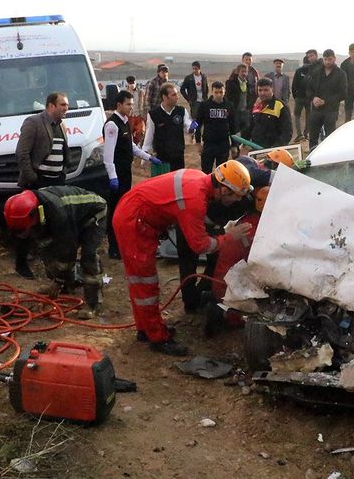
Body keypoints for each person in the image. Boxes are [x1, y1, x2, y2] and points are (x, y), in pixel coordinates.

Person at [112, 161, 254, 355]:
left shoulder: (197, 177)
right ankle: (158, 338)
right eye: (235, 197)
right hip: (134, 221)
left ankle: (145, 328)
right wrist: (229, 238)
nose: (236, 202)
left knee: (142, 283)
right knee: (145, 283)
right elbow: (200, 245)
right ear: (223, 190)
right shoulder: (194, 199)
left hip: (136, 212)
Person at [202, 150, 295, 336]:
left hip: (225, 274)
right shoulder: (255, 228)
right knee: (258, 315)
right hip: (229, 283)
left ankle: (207, 295)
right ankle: (219, 312)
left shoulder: (249, 220)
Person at [4, 186, 107, 319]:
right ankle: (67, 285)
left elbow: (68, 248)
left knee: (89, 256)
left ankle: (93, 304)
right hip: (71, 216)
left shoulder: (57, 212)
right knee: (48, 251)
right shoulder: (35, 210)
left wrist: (58, 280)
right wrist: (57, 278)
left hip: (93, 214)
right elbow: (46, 246)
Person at [14, 92, 70, 279]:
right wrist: (33, 179)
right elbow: (22, 153)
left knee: (53, 223)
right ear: (50, 106)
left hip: (56, 183)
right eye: (62, 105)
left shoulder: (61, 125)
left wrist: (63, 173)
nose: (65, 108)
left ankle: (51, 264)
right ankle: (21, 264)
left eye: (67, 105)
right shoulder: (34, 122)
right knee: (29, 223)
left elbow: (63, 152)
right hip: (39, 182)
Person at [103, 91, 162, 259]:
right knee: (115, 210)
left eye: (131, 104)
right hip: (117, 174)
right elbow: (108, 156)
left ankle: (122, 242)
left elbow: (131, 147)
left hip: (125, 172)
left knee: (124, 209)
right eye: (128, 104)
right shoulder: (112, 125)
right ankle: (113, 247)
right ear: (119, 105)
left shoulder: (124, 122)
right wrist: (112, 176)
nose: (130, 107)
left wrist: (148, 157)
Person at [142, 82, 196, 172]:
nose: (177, 97)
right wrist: (145, 156)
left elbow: (188, 127)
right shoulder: (154, 114)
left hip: (178, 157)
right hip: (161, 158)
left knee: (178, 184)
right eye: (174, 95)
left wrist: (192, 128)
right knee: (163, 184)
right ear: (164, 97)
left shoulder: (181, 111)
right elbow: (149, 136)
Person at [306, 49, 347, 148]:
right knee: (313, 137)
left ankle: (329, 158)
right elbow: (308, 89)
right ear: (323, 59)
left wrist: (325, 101)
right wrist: (313, 98)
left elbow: (343, 93)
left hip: (331, 110)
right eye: (325, 59)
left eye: (330, 59)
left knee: (330, 138)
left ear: (334, 59)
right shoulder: (316, 72)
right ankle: (312, 159)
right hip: (316, 110)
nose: (328, 62)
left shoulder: (341, 74)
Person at [195, 80, 237, 173]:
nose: (219, 95)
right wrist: (198, 142)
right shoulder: (204, 105)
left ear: (224, 91)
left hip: (224, 144)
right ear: (212, 92)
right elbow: (197, 124)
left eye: (221, 92)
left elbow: (233, 126)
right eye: (216, 92)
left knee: (222, 172)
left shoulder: (229, 105)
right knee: (206, 171)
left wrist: (234, 145)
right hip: (208, 143)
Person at [243, 77, 293, 149]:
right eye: (260, 90)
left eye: (266, 90)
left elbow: (287, 132)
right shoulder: (255, 106)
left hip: (274, 152)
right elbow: (249, 127)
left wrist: (275, 148)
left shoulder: (280, 106)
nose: (263, 93)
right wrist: (243, 143)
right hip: (255, 150)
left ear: (272, 89)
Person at [180, 61, 209, 144]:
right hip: (194, 102)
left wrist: (205, 98)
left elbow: (206, 88)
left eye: (196, 69)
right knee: (195, 120)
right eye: (193, 69)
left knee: (204, 119)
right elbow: (182, 89)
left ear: (199, 68)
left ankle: (202, 138)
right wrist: (188, 99)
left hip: (203, 101)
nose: (194, 70)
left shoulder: (204, 77)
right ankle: (194, 136)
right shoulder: (189, 78)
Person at [292, 53, 314, 141]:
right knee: (309, 115)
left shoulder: (299, 71)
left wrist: (295, 96)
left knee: (297, 115)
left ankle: (299, 134)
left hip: (299, 97)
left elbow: (294, 85)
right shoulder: (313, 71)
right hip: (309, 98)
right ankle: (306, 134)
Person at [225, 63, 251, 135]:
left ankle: (244, 145)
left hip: (245, 111)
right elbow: (227, 98)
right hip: (235, 111)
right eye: (242, 71)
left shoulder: (247, 84)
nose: (244, 73)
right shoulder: (231, 83)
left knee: (245, 130)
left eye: (246, 71)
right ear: (238, 72)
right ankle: (235, 145)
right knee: (235, 130)